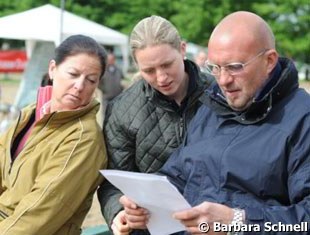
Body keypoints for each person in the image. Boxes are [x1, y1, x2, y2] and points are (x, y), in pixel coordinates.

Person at [119, 11, 310, 235]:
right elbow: (176, 176)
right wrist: (143, 203)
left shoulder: (303, 119)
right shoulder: (210, 108)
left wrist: (237, 222)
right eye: (215, 68)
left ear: (269, 61)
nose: (223, 80)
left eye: (235, 67)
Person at [97, 15, 213, 234]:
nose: (161, 78)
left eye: (167, 65)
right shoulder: (122, 110)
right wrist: (119, 212)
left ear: (182, 49)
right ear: (136, 66)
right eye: (149, 71)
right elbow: (112, 182)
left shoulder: (220, 95)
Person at [0, 34, 108, 235]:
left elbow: (38, 214)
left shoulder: (83, 138)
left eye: (91, 80)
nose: (79, 86)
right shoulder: (30, 113)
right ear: (52, 69)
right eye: (73, 74)